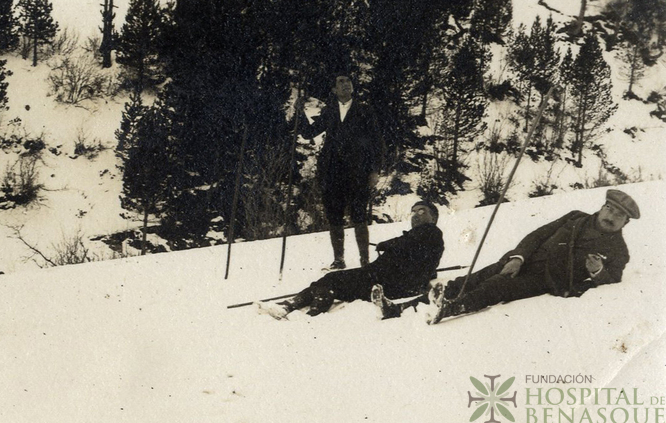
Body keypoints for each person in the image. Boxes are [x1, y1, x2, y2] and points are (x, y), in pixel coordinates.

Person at [427, 189, 639, 325]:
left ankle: (450, 308)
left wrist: (597, 271)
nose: (610, 217)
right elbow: (539, 235)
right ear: (602, 207)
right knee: (474, 278)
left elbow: (613, 281)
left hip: (546, 279)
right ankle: (416, 303)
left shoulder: (619, 251)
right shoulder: (576, 217)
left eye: (619, 215)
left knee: (496, 285)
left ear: (625, 223)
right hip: (525, 260)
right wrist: (518, 258)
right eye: (609, 209)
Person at [258, 201, 444, 319]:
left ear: (433, 217)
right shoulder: (422, 237)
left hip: (388, 280)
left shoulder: (431, 232)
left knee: (332, 280)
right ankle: (298, 306)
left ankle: (306, 310)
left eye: (422, 211)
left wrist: (388, 244)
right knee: (333, 281)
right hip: (386, 279)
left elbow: (409, 245)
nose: (416, 215)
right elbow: (422, 258)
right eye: (413, 212)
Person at [300, 73, 383, 270]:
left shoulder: (365, 110)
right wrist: (299, 113)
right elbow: (308, 133)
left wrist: (375, 171)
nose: (346, 85)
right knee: (334, 215)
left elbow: (377, 143)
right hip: (332, 172)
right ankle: (339, 259)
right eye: (340, 82)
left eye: (348, 81)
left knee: (359, 215)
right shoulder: (329, 112)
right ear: (333, 90)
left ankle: (365, 260)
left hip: (358, 172)